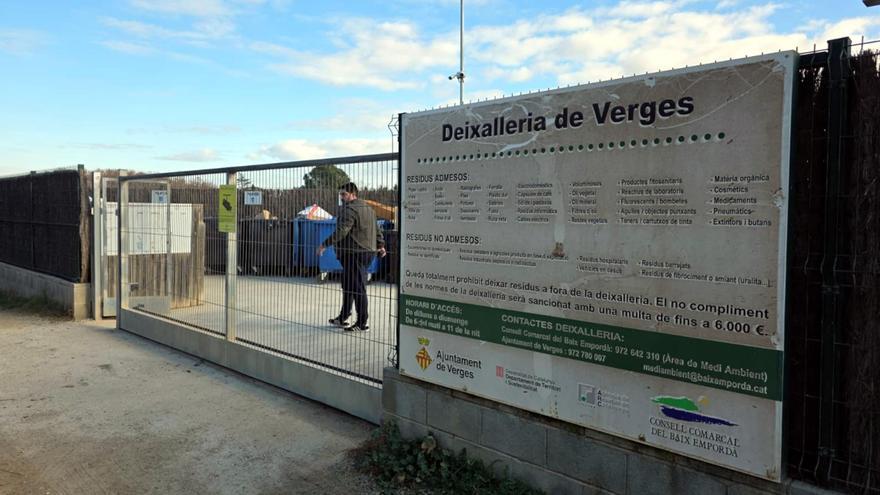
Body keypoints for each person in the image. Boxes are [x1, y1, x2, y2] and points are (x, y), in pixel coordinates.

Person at [318, 182, 386, 332]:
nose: (341, 197)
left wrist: (324, 244)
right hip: (366, 252)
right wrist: (381, 246)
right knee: (349, 285)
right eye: (340, 194)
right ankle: (343, 317)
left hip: (354, 253)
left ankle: (362, 323)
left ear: (353, 194)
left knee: (358, 288)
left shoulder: (349, 210)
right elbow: (377, 229)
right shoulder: (369, 209)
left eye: (344, 194)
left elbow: (342, 231)